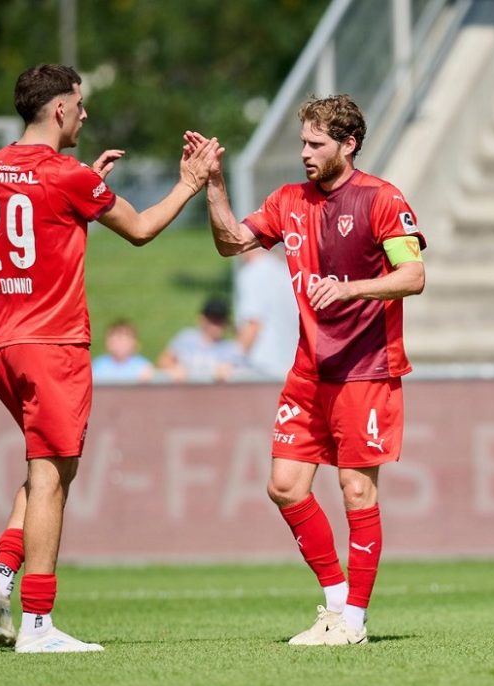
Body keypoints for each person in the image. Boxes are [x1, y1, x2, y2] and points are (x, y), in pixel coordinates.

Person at [0, 63, 219, 654]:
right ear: (59, 109)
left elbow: (42, 208)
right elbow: (141, 228)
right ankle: (38, 624)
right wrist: (189, 182)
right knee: (52, 476)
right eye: (80, 104)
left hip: (0, 344)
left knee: (47, 469)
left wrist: (85, 184)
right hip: (51, 344)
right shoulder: (68, 176)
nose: (85, 114)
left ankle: (2, 577)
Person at [190, 93, 426, 646]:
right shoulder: (288, 200)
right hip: (308, 371)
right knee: (285, 485)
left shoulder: (381, 198)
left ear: (348, 144)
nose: (305, 153)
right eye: (302, 142)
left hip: (366, 368)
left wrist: (350, 289)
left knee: (356, 491)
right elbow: (231, 243)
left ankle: (355, 621)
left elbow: (413, 276)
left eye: (316, 143)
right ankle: (336, 604)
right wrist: (214, 184)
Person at [234, 247, 298, 379]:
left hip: (261, 365)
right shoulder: (284, 271)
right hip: (288, 363)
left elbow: (253, 323)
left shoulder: (253, 272)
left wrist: (234, 360)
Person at [156, 296, 242, 382]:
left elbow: (243, 373)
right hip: (185, 389)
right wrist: (173, 369)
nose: (216, 325)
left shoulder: (230, 348)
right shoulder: (186, 338)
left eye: (220, 320)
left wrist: (230, 372)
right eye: (212, 320)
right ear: (202, 319)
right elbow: (163, 361)